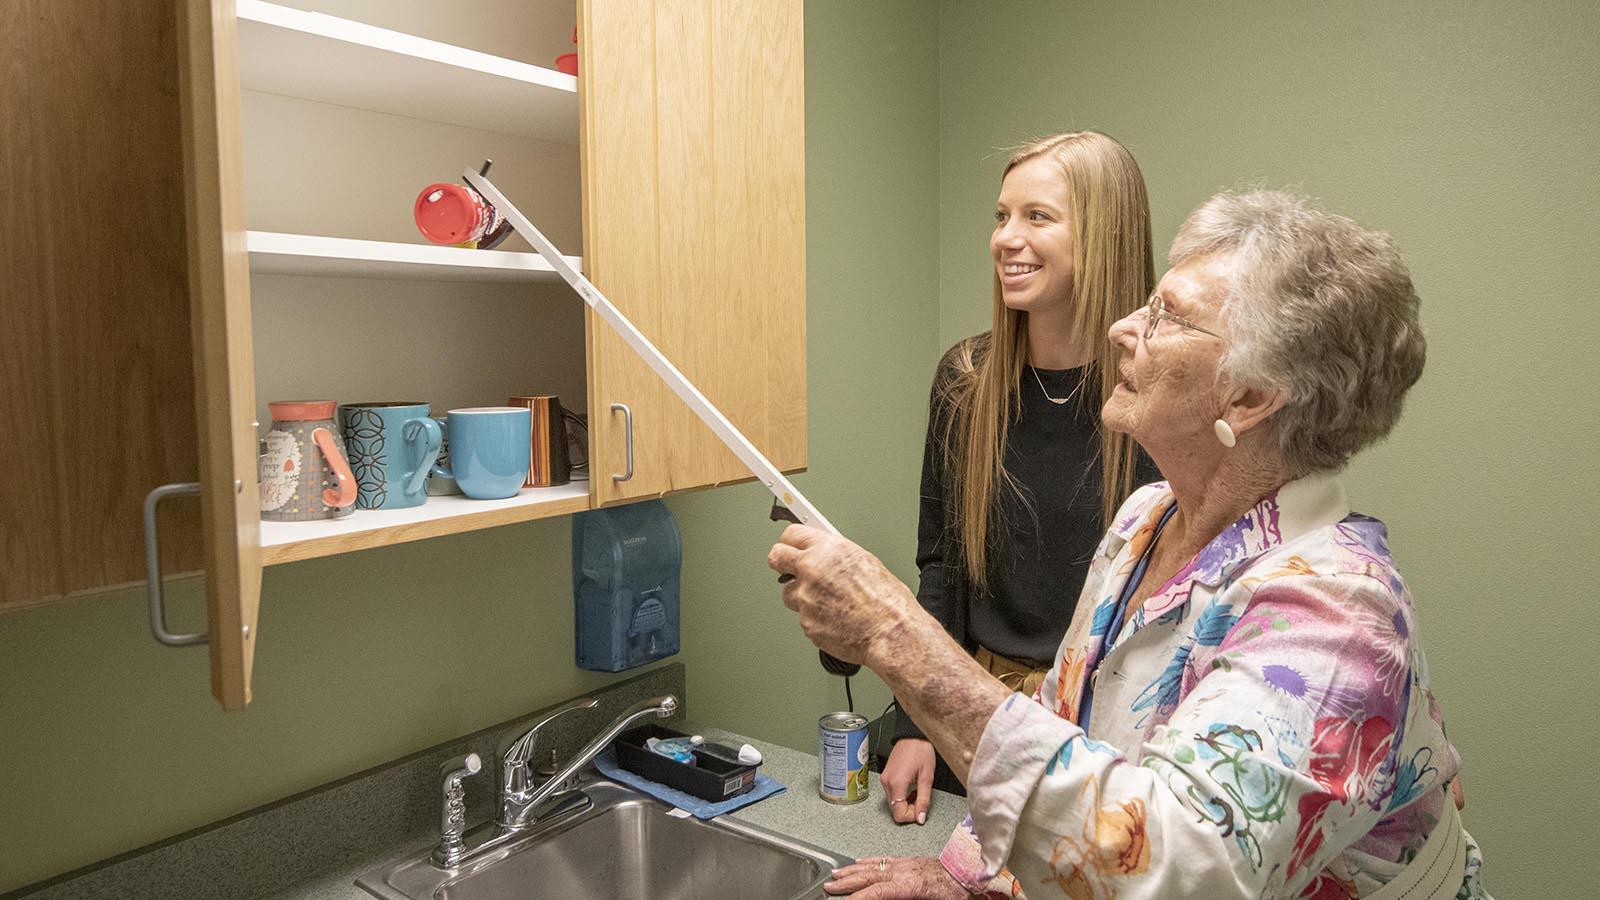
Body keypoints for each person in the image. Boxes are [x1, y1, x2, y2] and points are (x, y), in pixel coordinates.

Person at [772, 190, 1491, 899]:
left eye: (1166, 316)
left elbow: (1173, 871)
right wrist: (964, 876)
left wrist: (893, 632)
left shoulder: (1337, 617)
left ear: (1248, 397)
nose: (1123, 328)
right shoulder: (1146, 518)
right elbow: (1061, 718)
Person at [882, 131, 1156, 827]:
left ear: (1104, 234)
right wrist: (915, 721)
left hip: (1111, 739)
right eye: (1002, 216)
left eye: (1037, 217)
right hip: (975, 716)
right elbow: (942, 569)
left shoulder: (1155, 397)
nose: (1006, 238)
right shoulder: (967, 384)